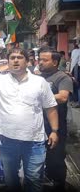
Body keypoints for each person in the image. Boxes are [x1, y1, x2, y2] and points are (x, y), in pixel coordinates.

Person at [0, 41, 59, 192]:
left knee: (34, 180)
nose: (16, 60)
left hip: (34, 142)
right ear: (8, 62)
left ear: (27, 61)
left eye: (20, 57)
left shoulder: (40, 82)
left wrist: (54, 130)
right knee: (11, 181)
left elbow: (50, 107)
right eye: (12, 58)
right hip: (8, 140)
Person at [38, 48, 73, 191]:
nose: (40, 62)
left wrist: (38, 96)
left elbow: (63, 97)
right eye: (39, 59)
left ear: (55, 62)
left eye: (44, 60)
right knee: (40, 157)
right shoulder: (37, 77)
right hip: (38, 125)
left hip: (56, 126)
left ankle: (58, 184)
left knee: (56, 157)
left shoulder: (62, 77)